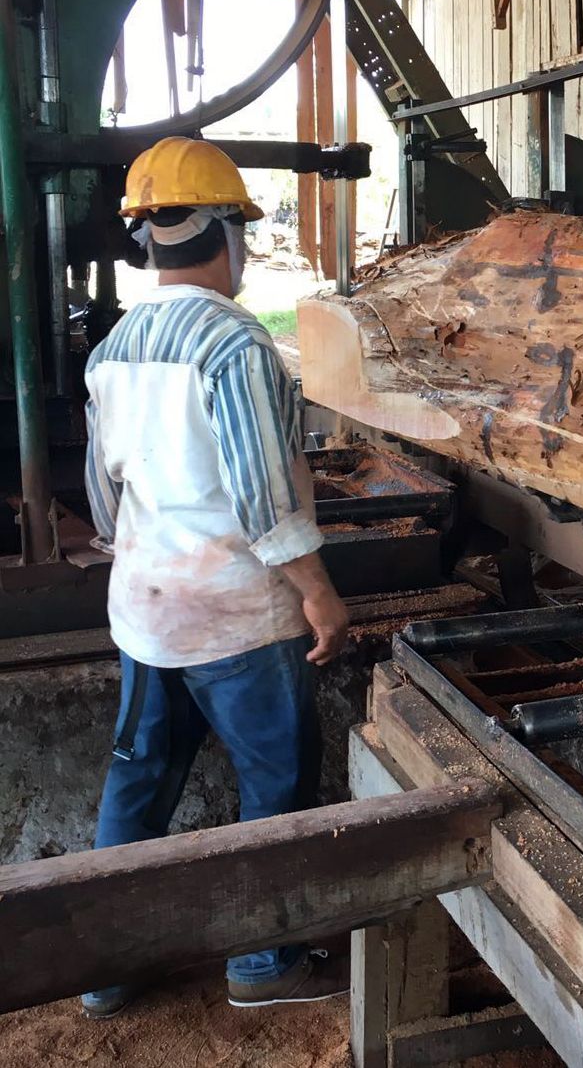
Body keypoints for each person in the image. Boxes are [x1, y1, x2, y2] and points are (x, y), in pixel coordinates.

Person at [81, 137, 350, 1017]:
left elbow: (102, 493)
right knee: (274, 786)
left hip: (148, 613)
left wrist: (150, 563)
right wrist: (318, 592)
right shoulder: (233, 345)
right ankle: (264, 965)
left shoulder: (113, 346)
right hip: (239, 620)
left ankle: (108, 967)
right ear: (224, 231)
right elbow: (265, 495)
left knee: (139, 781)